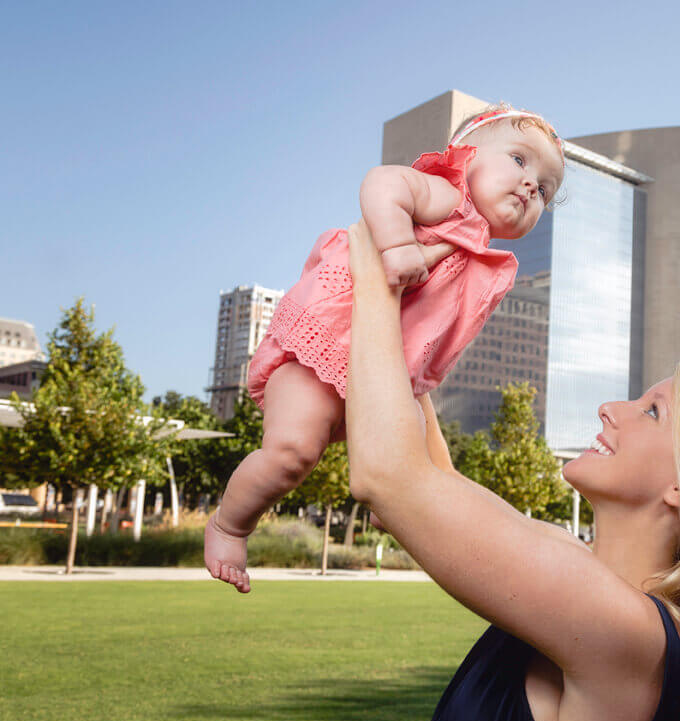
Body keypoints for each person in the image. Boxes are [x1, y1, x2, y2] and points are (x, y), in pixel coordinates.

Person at [343, 221, 680, 721]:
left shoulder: (632, 635)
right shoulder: (573, 567)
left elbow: (388, 477)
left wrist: (374, 269)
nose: (611, 407)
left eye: (651, 411)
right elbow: (432, 482)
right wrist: (409, 333)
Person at [206, 105, 566, 593]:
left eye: (545, 189)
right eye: (520, 161)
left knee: (418, 473)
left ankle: (396, 512)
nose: (530, 186)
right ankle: (230, 525)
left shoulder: (486, 256)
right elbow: (382, 183)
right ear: (466, 155)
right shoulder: (448, 196)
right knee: (291, 452)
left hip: (384, 379)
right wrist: (397, 245)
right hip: (326, 347)